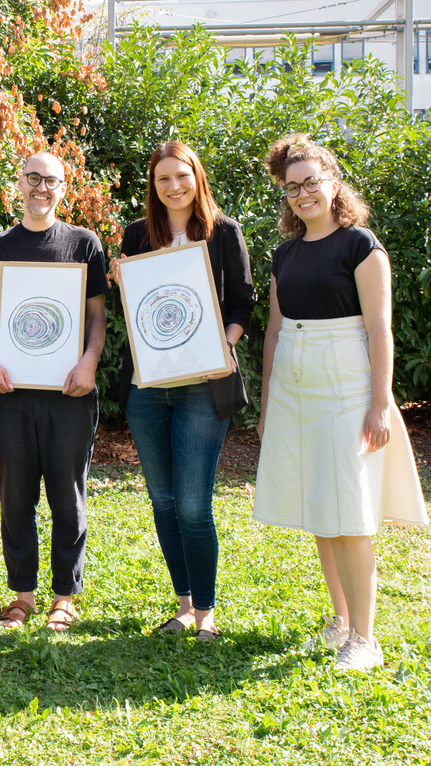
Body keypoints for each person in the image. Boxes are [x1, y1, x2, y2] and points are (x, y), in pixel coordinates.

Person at [254, 134, 427, 671]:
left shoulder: (361, 245)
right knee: (320, 510)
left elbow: (379, 328)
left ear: (332, 182)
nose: (303, 193)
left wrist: (380, 402)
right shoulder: (285, 252)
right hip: (293, 383)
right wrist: (266, 404)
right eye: (292, 187)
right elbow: (276, 332)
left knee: (350, 513)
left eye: (311, 182)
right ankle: (341, 623)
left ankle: (366, 639)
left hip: (346, 382)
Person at [109, 142, 255, 642]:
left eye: (181, 176)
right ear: (153, 185)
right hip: (146, 388)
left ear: (197, 177)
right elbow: (135, 312)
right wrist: (120, 282)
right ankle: (183, 605)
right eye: (162, 179)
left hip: (203, 386)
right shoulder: (136, 235)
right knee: (164, 500)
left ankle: (207, 613)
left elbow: (242, 304)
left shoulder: (224, 232)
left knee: (193, 504)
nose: (173, 186)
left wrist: (224, 348)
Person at [0, 151, 108, 631]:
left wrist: (90, 361)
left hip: (69, 392)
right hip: (11, 392)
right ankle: (23, 594)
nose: (41, 187)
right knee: (15, 496)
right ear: (20, 182)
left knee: (67, 495)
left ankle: (64, 596)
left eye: (51, 180)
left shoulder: (83, 244)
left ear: (64, 188)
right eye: (33, 178)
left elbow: (96, 315)